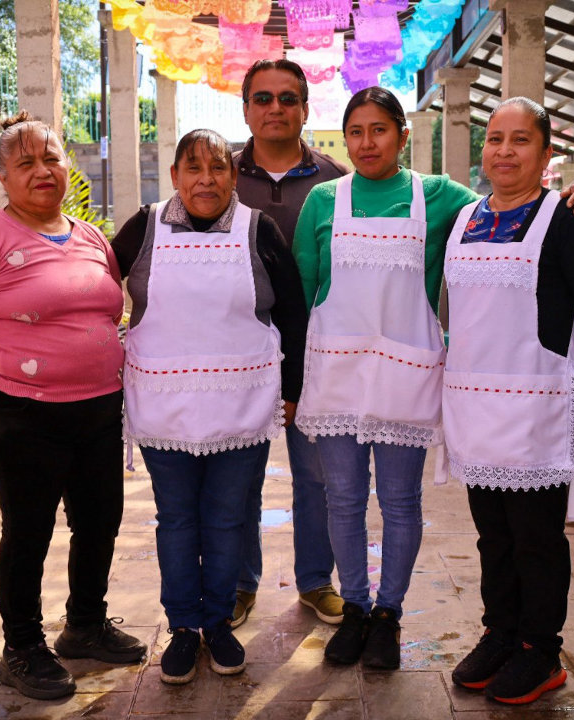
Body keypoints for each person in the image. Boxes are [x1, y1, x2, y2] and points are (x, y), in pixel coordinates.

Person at [292, 87, 574, 671]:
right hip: (336, 372)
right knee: (345, 499)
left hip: (407, 374)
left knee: (401, 502)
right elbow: (304, 292)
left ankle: (388, 616)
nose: (366, 142)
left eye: (379, 129)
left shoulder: (439, 197)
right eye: (355, 131)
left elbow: (512, 202)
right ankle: (354, 608)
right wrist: (296, 378)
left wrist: (569, 198)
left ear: (404, 136)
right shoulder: (322, 200)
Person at [0, 111, 146, 701]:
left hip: (98, 407)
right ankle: (21, 648)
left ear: (67, 165)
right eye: (26, 163)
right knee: (30, 530)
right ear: (2, 176)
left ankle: (85, 627)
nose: (42, 171)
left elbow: (104, 308)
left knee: (99, 523)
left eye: (51, 158)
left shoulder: (90, 237)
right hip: (22, 414)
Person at [111, 129, 308, 684]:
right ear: (174, 175)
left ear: (233, 175)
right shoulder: (144, 227)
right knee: (176, 520)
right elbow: (97, 293)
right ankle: (181, 628)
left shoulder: (257, 228)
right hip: (164, 406)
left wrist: (292, 390)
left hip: (240, 406)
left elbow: (292, 311)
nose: (206, 179)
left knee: (226, 520)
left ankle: (218, 624)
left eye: (217, 168)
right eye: (192, 168)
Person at [445, 97, 574, 706]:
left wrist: (567, 370)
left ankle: (539, 650)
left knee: (536, 537)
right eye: (494, 139)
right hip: (475, 407)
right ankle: (501, 634)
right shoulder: (464, 218)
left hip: (535, 408)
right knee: (491, 534)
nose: (504, 151)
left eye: (520, 140)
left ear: (546, 155)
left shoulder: (567, 219)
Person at [230, 59, 348, 629]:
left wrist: (554, 201)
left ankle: (316, 582)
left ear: (305, 107)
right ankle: (237, 583)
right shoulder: (216, 174)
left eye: (287, 98)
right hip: (234, 356)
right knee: (238, 478)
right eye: (263, 98)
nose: (275, 108)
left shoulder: (336, 180)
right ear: (246, 106)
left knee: (318, 478)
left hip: (317, 351)